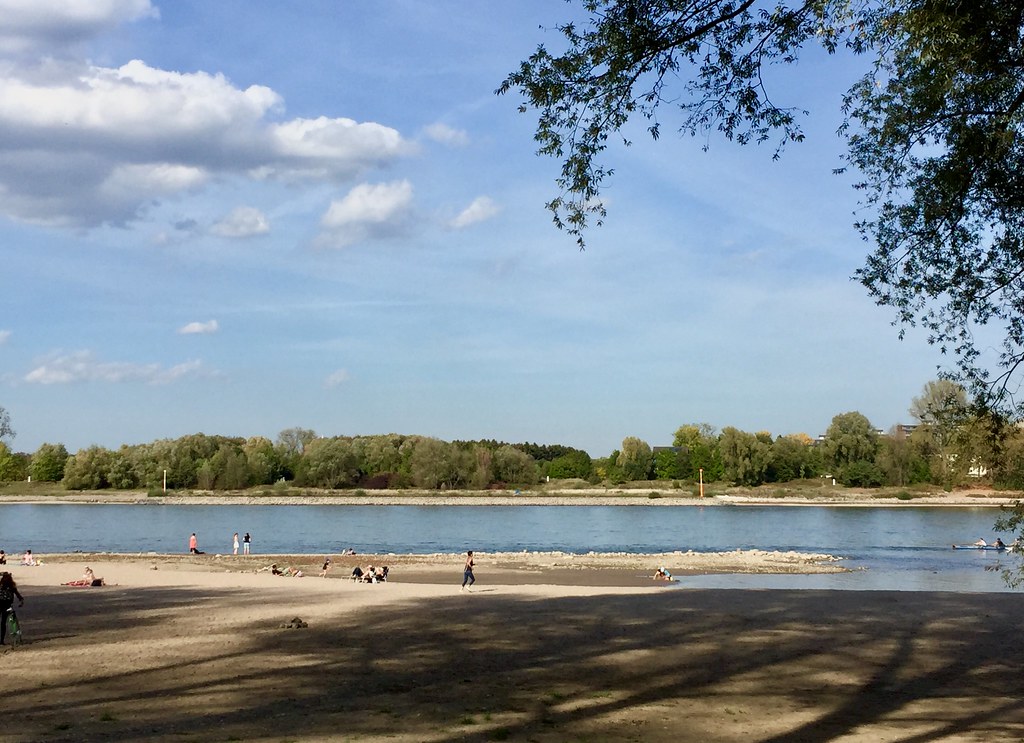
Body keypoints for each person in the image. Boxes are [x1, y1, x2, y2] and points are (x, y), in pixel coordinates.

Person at [0, 572, 24, 645]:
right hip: (7, 606)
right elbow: (19, 596)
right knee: (5, 622)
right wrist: (21, 602)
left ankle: (2, 640)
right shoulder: (12, 587)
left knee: (3, 623)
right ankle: (3, 640)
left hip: (2, 605)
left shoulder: (1, 586)